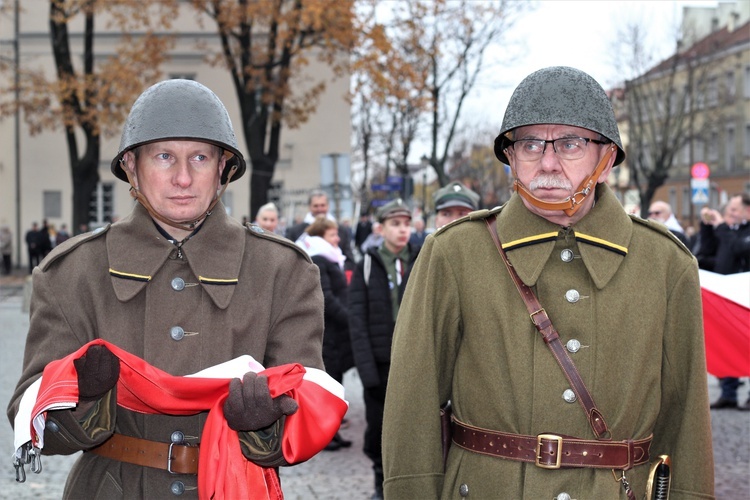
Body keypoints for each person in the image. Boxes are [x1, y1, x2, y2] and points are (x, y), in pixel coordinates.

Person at [382, 67, 714, 499]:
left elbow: (685, 418)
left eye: (571, 144)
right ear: (512, 157)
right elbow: (413, 404)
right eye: (530, 144)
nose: (548, 162)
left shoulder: (665, 263)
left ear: (607, 158)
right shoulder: (454, 253)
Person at [7, 79, 345, 499]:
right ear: (131, 165)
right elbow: (30, 413)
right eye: (164, 156)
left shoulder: (282, 271)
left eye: (200, 157)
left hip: (236, 487)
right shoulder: (73, 272)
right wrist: (81, 400)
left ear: (223, 167)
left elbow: (309, 409)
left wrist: (266, 421)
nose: (183, 178)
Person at [348, 198, 420, 500]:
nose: (402, 230)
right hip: (379, 365)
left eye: (406, 223)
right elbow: (357, 319)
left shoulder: (421, 260)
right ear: (381, 228)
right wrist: (367, 372)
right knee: (377, 431)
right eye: (395, 224)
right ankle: (381, 485)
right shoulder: (366, 264)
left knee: (413, 431)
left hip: (413, 363)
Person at [297, 216, 355, 450]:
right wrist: (350, 319)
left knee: (336, 383)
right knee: (328, 386)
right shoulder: (320, 259)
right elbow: (327, 298)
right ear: (321, 237)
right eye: (332, 235)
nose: (338, 239)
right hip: (328, 333)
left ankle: (333, 432)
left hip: (335, 334)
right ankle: (325, 435)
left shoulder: (330, 257)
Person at [698, 193, 750, 411]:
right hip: (727, 295)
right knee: (728, 344)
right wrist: (707, 227)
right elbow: (706, 255)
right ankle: (728, 393)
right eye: (730, 211)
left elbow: (741, 248)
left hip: (744, 297)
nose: (731, 215)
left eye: (735, 211)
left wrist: (722, 227)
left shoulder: (737, 233)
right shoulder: (729, 231)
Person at [285, 191, 356, 268]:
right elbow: (289, 259)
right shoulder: (295, 231)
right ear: (309, 207)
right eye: (316, 206)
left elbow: (349, 261)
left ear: (328, 206)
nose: (319, 209)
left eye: (323, 205)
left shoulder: (341, 230)